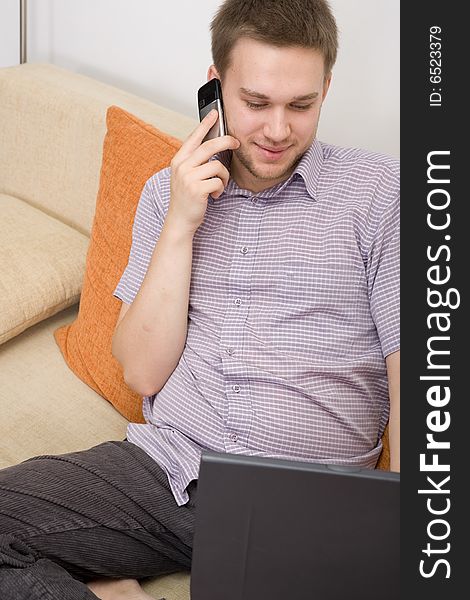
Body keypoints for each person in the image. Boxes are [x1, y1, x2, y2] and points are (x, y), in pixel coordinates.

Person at [0, 0, 399, 598]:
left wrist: (391, 526)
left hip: (306, 506)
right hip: (167, 472)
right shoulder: (167, 192)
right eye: (256, 102)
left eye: (302, 104)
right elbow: (140, 371)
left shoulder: (381, 194)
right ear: (214, 88)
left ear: (327, 88)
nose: (277, 130)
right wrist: (182, 224)